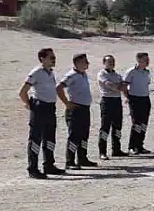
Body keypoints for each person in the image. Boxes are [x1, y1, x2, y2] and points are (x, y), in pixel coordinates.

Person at [19, 47, 64, 178]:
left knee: (50, 138)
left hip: (50, 108)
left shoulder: (50, 72)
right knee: (35, 139)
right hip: (39, 107)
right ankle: (33, 168)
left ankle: (49, 165)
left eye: (54, 57)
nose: (54, 60)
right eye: (51, 57)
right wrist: (29, 105)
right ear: (42, 59)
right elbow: (22, 92)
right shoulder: (36, 72)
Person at [55, 53, 97, 170]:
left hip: (85, 108)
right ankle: (70, 161)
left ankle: (82, 158)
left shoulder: (83, 74)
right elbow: (59, 88)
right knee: (74, 135)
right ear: (77, 63)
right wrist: (67, 103)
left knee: (84, 135)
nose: (87, 63)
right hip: (76, 109)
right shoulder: (71, 75)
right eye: (85, 61)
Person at [96, 54, 127, 159]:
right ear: (104, 63)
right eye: (109, 62)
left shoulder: (117, 75)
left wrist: (119, 88)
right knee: (105, 127)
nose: (112, 63)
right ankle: (102, 151)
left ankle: (116, 149)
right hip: (107, 101)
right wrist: (119, 87)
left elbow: (123, 87)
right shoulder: (102, 74)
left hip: (117, 101)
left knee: (117, 127)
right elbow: (111, 86)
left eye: (113, 61)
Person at [123, 52, 153, 155]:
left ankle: (140, 145)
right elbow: (124, 86)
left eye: (148, 59)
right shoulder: (131, 71)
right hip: (135, 99)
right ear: (139, 60)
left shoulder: (147, 72)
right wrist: (128, 97)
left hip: (145, 98)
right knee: (136, 123)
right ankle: (132, 146)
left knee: (144, 123)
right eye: (145, 60)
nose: (147, 61)